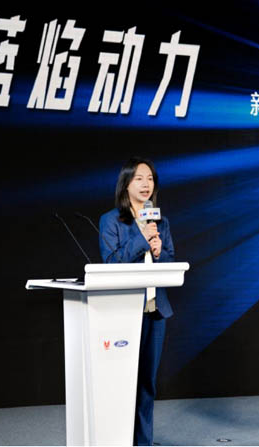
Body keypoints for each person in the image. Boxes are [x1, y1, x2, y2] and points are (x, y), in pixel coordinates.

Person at [99, 156, 175, 446]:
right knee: (123, 382)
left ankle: (143, 442)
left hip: (155, 310)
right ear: (126, 183)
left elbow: (171, 264)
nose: (146, 184)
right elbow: (111, 262)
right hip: (125, 311)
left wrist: (158, 252)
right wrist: (142, 238)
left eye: (150, 179)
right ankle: (119, 439)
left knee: (147, 383)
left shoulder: (161, 222)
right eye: (139, 178)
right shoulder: (111, 221)